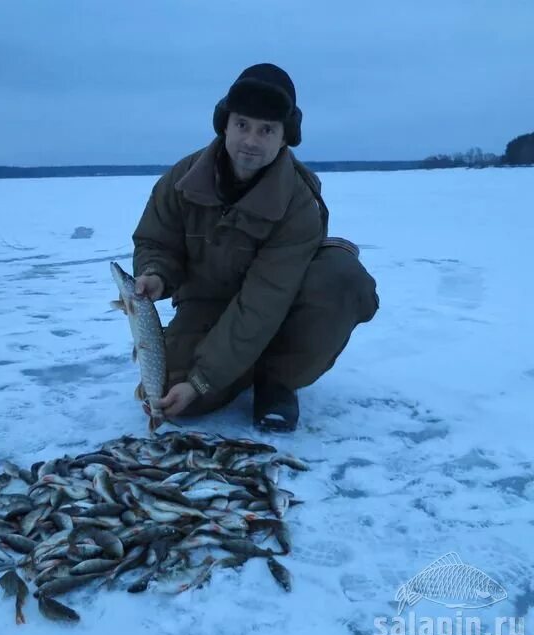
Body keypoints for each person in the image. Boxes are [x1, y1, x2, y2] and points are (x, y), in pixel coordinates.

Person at [131, 63, 379, 433]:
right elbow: (156, 240)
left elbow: (264, 302)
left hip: (277, 310)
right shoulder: (182, 178)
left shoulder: (298, 201)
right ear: (225, 124)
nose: (251, 140)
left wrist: (202, 380)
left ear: (285, 137)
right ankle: (240, 364)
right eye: (242, 125)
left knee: (342, 280)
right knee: (170, 395)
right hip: (207, 306)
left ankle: (276, 379)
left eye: (267, 130)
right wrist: (156, 273)